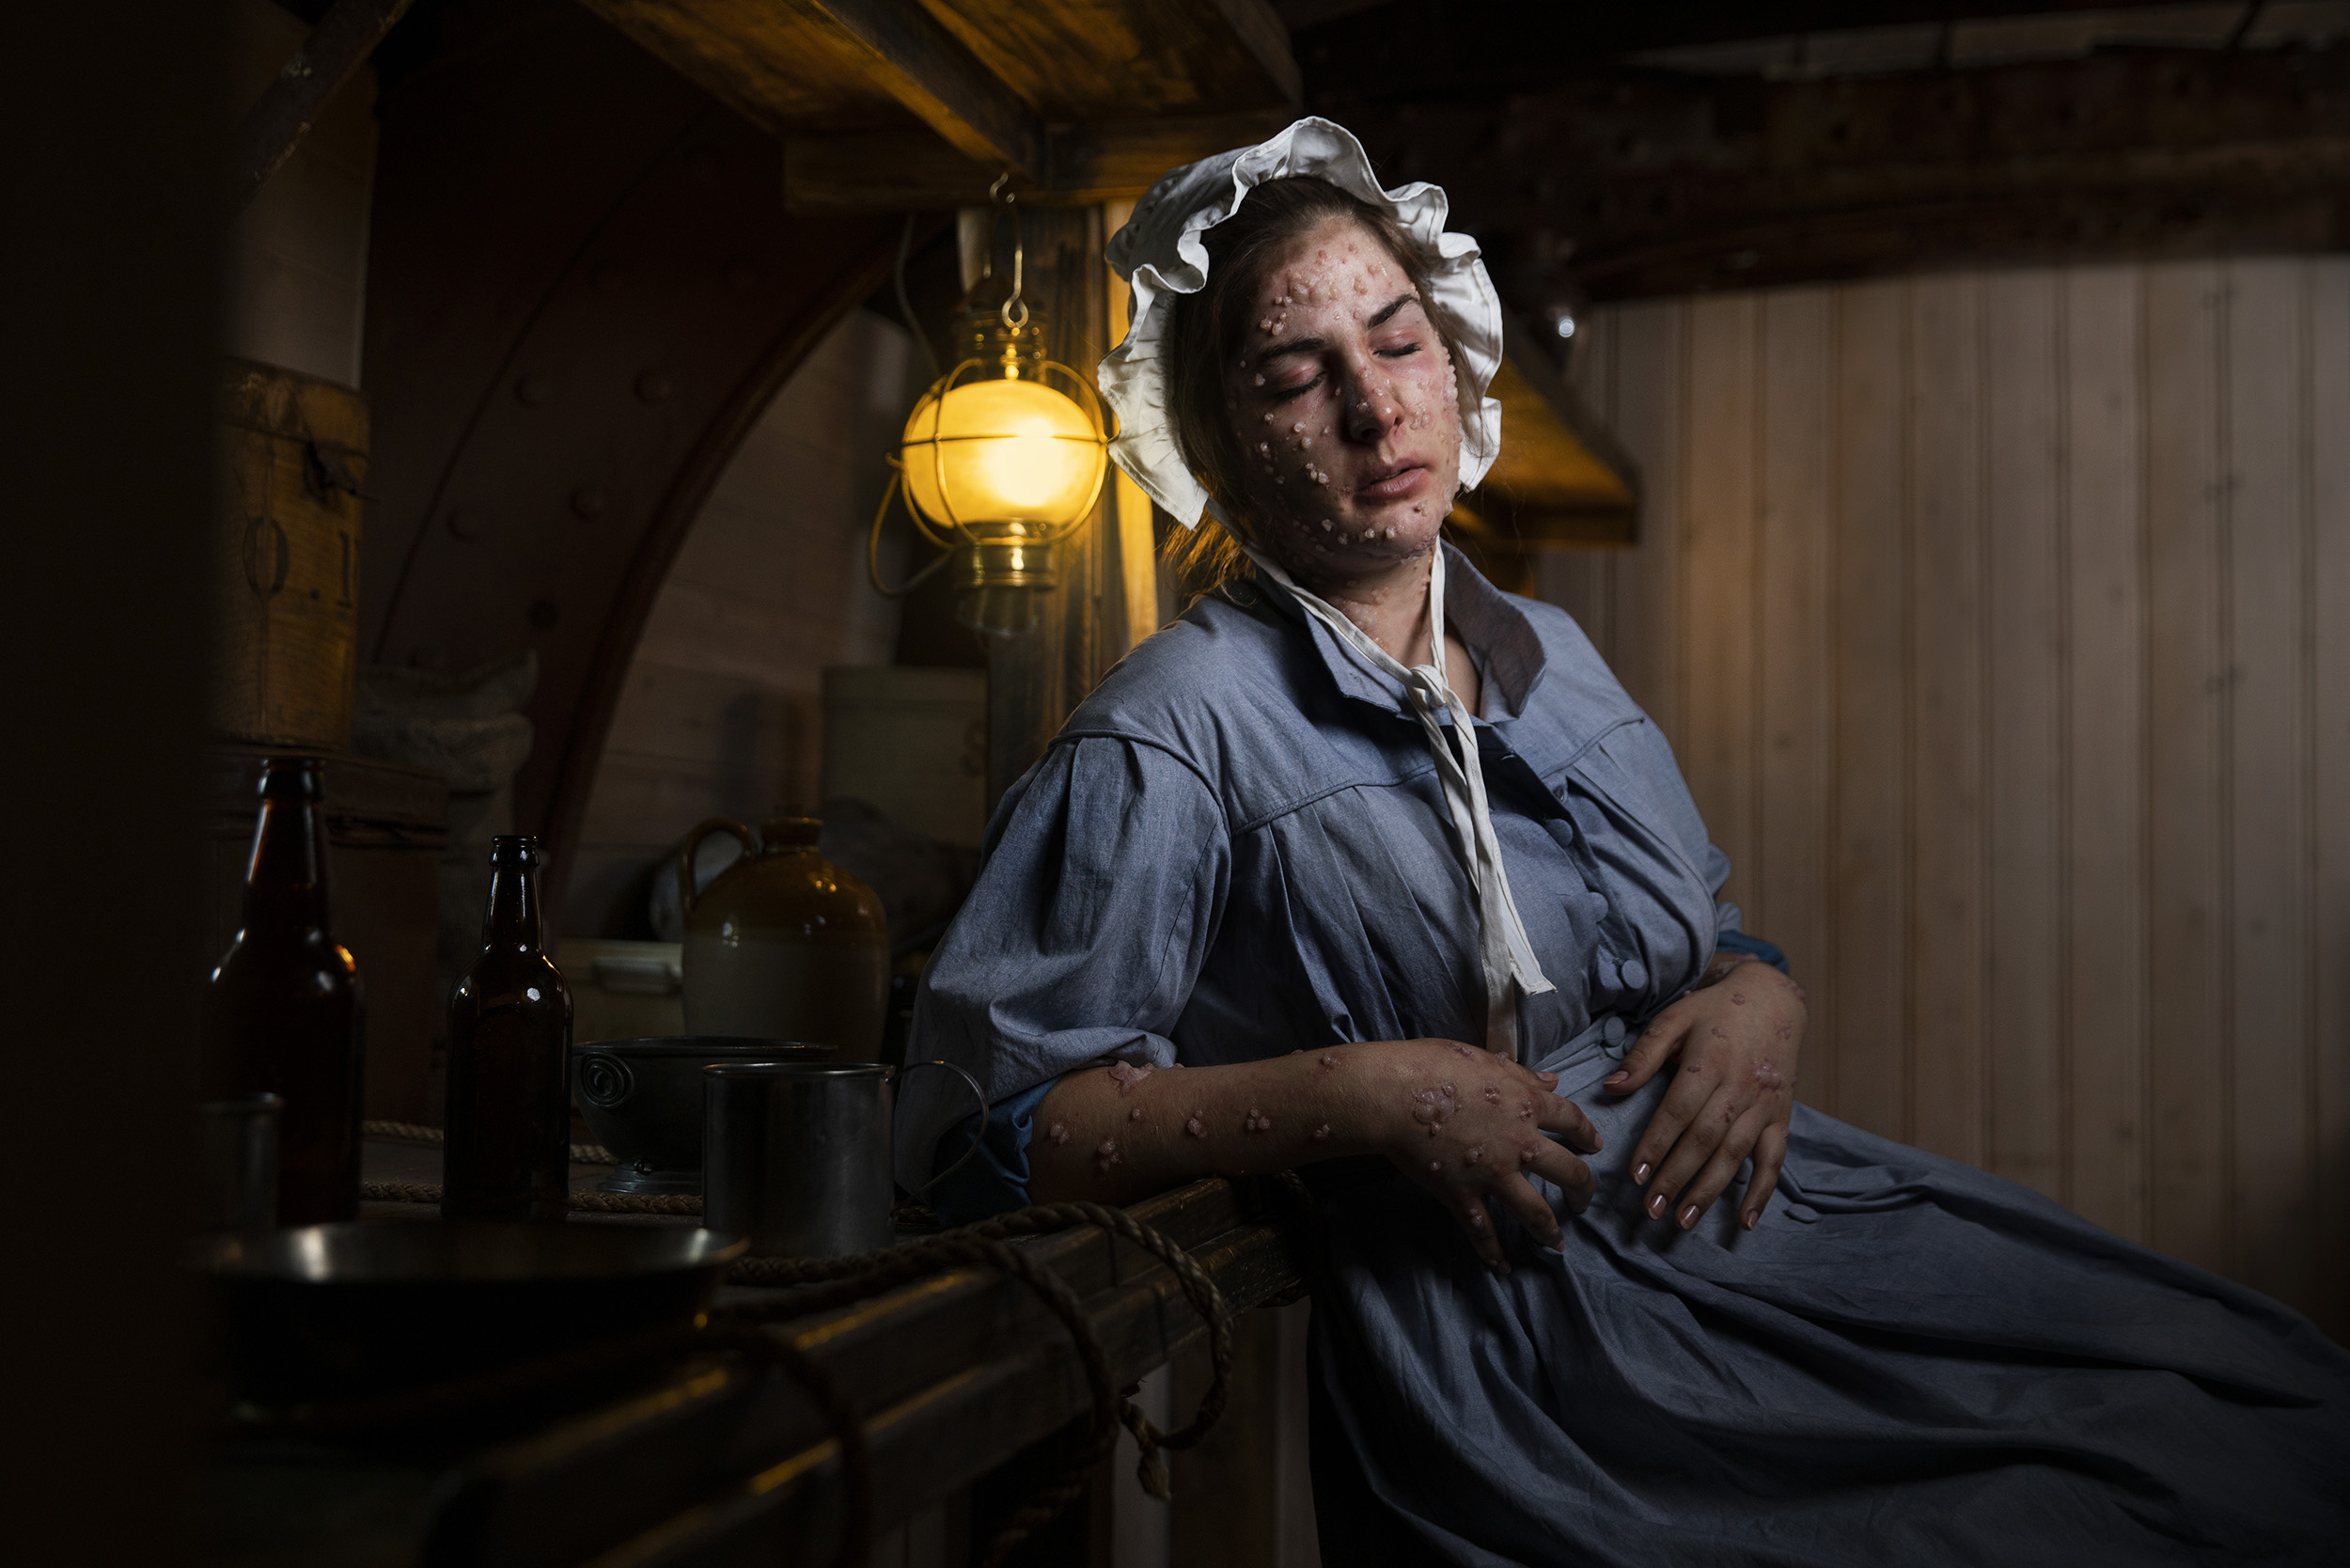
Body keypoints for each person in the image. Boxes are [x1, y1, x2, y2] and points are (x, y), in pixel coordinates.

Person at [894, 118, 2350, 1565]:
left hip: (1770, 1239)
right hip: (1555, 1345)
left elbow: (1690, 947)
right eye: (1296, 375)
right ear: (1220, 434)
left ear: (1453, 361)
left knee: (2252, 1390)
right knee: (2104, 1513)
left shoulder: (1551, 655)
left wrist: (1757, 998)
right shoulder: (1179, 723)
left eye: (1398, 345)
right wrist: (1366, 1095)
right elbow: (986, 1136)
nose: (1374, 409)